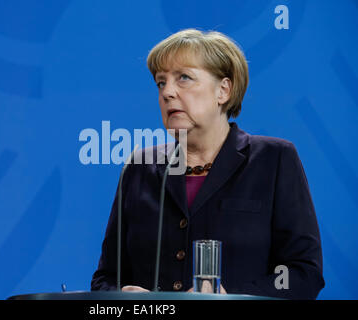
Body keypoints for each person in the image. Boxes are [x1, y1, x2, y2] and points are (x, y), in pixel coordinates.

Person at [91, 29, 324, 299]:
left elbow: (303, 273)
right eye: (160, 82)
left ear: (223, 90)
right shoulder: (139, 167)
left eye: (184, 78)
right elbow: (106, 278)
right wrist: (124, 295)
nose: (167, 92)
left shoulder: (275, 159)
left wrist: (234, 298)